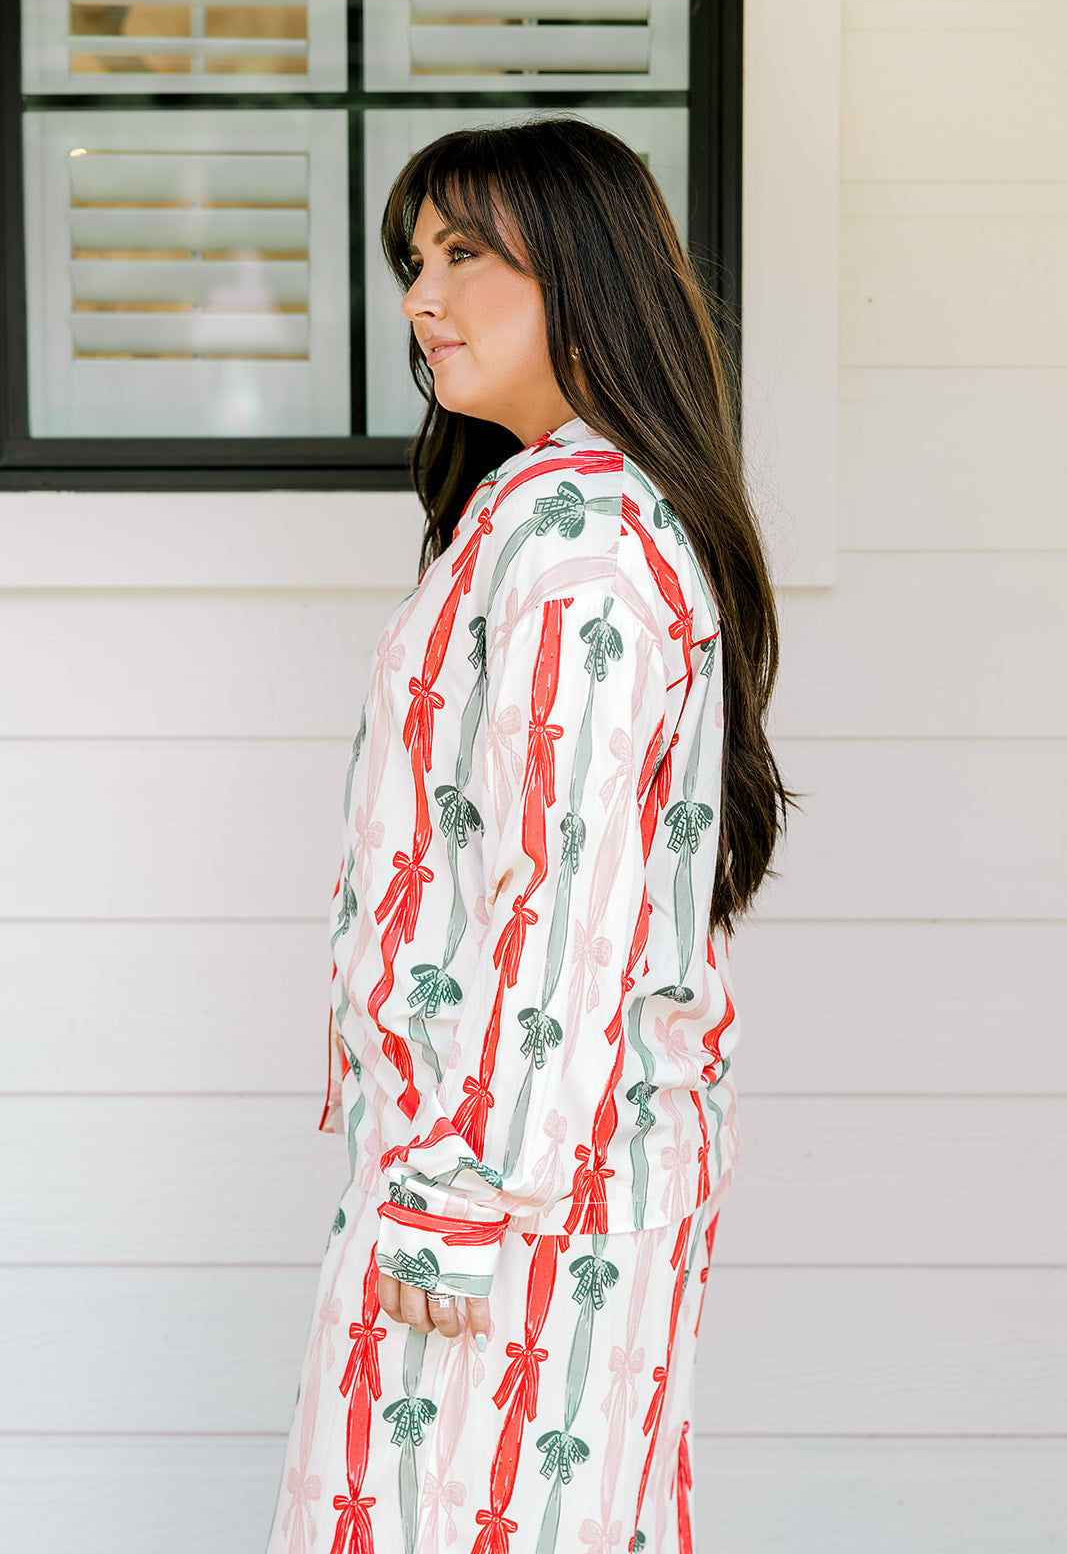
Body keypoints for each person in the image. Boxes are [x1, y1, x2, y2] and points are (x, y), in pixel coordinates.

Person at [265, 117, 789, 1554]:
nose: (421, 297)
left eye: (465, 255)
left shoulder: (584, 547)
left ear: (583, 274)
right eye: (413, 259)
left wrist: (455, 1196)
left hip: (515, 1196)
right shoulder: (538, 514)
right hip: (507, 1177)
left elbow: (564, 905)